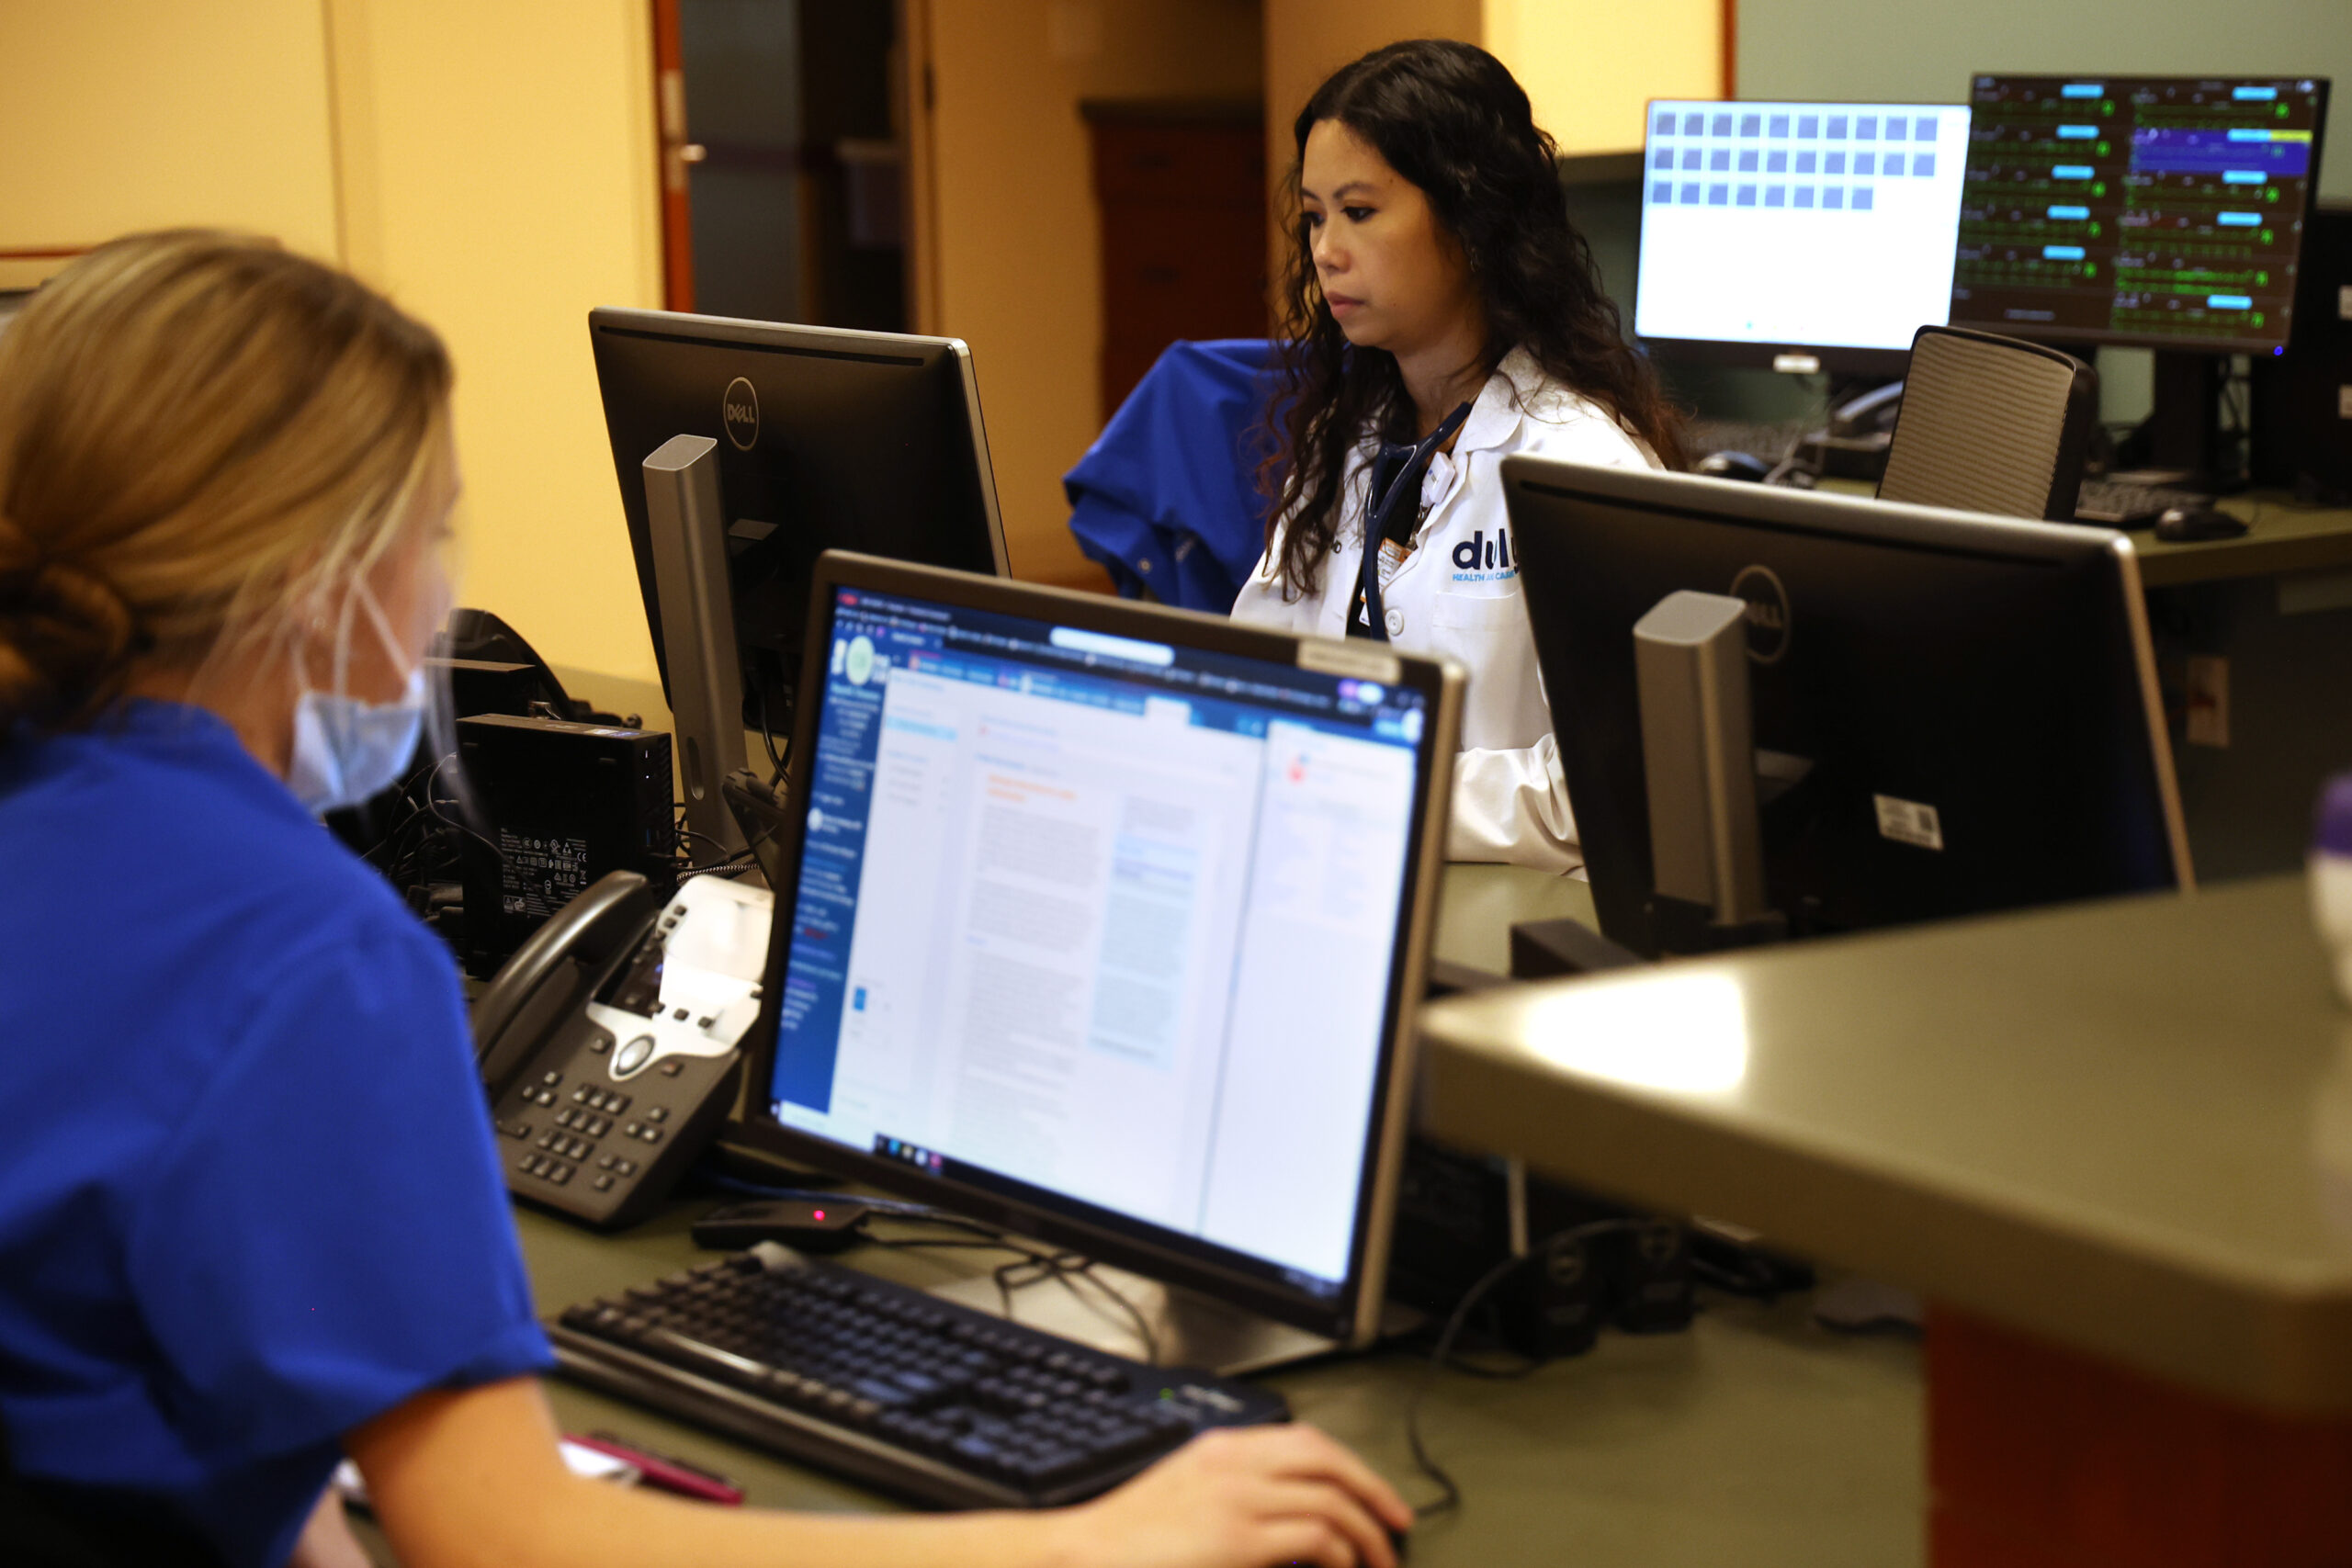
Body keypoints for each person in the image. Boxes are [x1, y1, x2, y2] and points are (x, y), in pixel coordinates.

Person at [0, 231, 1411, 1568]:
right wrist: (1086, 1538)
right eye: (429, 534)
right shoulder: (302, 957)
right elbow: (506, 1538)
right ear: (316, 583)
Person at [1233, 39, 1687, 875]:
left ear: (1473, 222)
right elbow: (1257, 675)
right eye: (1314, 215)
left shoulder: (1581, 462)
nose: (1326, 249)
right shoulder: (1348, 439)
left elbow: (1610, 787)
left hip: (1508, 917)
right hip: (1337, 874)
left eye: (1359, 212)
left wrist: (1382, 784)